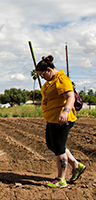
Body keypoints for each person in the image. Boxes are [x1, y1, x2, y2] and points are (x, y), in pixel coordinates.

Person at [36, 55, 85, 188]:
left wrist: (65, 112)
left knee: (58, 148)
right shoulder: (51, 81)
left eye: (42, 75)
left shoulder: (62, 79)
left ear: (49, 69)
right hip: (52, 119)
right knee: (52, 145)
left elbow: (70, 97)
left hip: (62, 120)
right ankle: (76, 165)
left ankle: (61, 179)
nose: (42, 78)